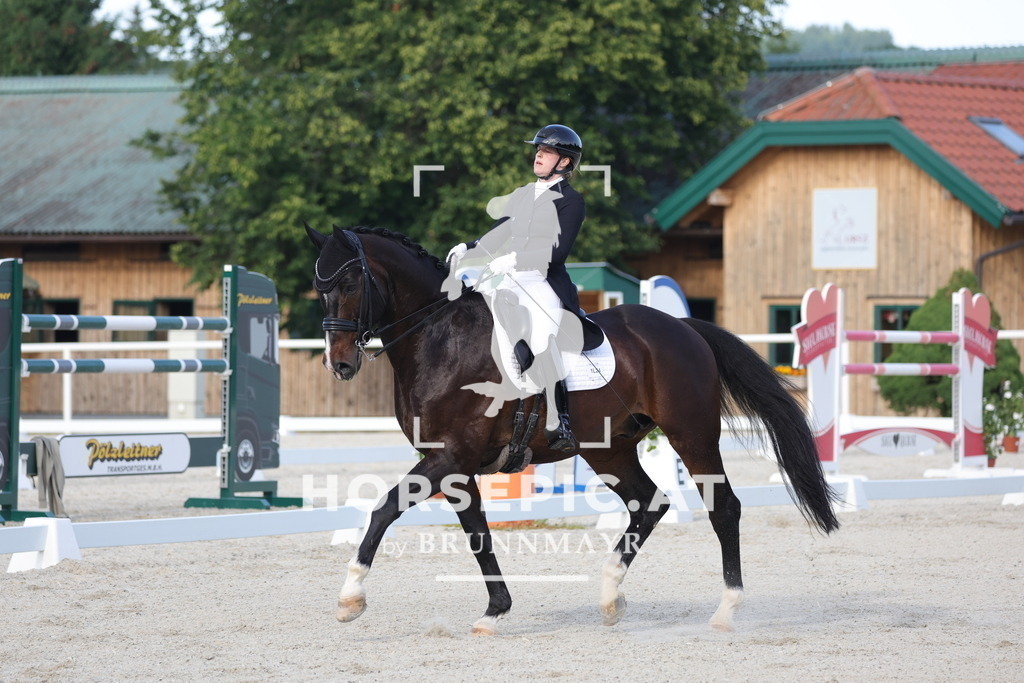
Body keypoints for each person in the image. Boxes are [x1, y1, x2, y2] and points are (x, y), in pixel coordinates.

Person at [442, 124, 586, 453]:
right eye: (538, 150)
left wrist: (515, 259)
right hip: (508, 278)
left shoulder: (571, 202)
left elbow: (558, 251)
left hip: (543, 282)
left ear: (564, 163)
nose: (538, 155)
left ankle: (559, 420)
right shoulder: (524, 194)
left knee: (539, 336)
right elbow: (501, 231)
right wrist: (470, 247)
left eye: (547, 152)